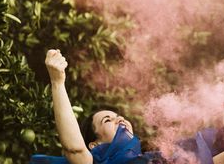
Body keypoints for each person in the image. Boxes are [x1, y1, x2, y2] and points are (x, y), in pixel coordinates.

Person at [30, 49, 162, 164]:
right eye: (107, 120)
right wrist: (57, 82)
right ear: (95, 145)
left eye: (117, 116)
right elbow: (74, 149)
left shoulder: (158, 153)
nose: (119, 119)